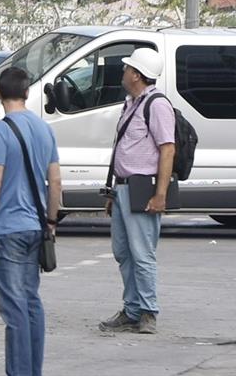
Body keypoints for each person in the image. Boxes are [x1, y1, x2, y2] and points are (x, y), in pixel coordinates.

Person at [0, 66, 62, 376]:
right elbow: (55, 181)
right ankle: (33, 370)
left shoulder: (0, 131)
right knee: (31, 302)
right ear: (28, 92)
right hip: (36, 227)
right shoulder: (45, 129)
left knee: (14, 308)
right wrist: (51, 220)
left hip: (8, 231)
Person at [99, 48, 176, 336]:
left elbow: (167, 149)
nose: (123, 73)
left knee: (142, 254)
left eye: (126, 69)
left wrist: (161, 194)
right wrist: (113, 193)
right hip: (123, 188)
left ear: (136, 75)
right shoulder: (131, 103)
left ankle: (147, 312)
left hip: (143, 188)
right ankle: (131, 309)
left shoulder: (156, 105)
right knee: (122, 252)